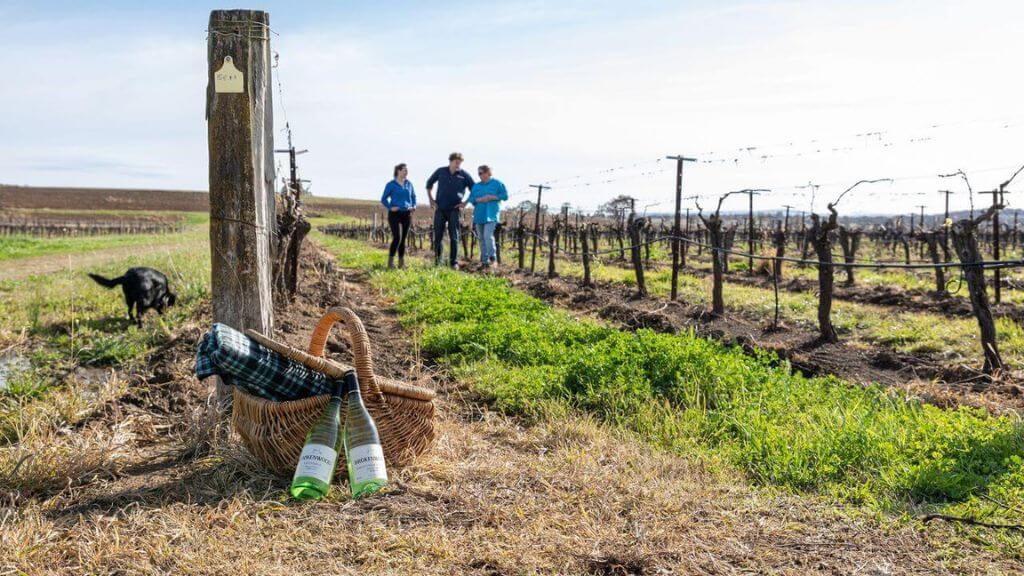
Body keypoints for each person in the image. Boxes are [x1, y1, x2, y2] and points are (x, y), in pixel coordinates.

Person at [426, 152, 474, 269]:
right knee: (438, 235)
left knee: (454, 236)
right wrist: (431, 199)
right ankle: (438, 261)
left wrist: (465, 202)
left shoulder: (464, 175)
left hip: (454, 209)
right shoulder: (441, 171)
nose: (458, 164)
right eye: (456, 162)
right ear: (451, 161)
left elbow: (474, 189)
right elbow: (429, 184)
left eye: (460, 162)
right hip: (440, 209)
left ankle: (454, 262)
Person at [467, 165, 507, 270]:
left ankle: (493, 258)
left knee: (488, 235)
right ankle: (484, 262)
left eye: (482, 173)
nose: (481, 175)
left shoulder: (497, 183)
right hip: (479, 215)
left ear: (488, 173)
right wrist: (478, 200)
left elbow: (505, 196)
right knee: (481, 238)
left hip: (492, 215)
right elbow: (471, 199)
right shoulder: (476, 186)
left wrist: (492, 197)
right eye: (479, 173)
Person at [380, 163, 416, 268]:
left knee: (403, 238)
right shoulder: (391, 184)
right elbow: (383, 199)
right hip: (395, 214)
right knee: (397, 237)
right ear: (398, 171)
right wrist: (390, 207)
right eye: (404, 170)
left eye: (407, 170)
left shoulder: (409, 184)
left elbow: (414, 197)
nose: (406, 172)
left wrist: (413, 206)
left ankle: (401, 263)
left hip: (407, 214)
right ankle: (390, 263)